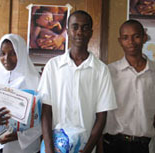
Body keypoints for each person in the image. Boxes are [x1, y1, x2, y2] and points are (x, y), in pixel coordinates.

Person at [38, 10, 117, 153]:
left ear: (91, 33)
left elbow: (101, 117)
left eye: (85, 27)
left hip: (85, 147)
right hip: (55, 147)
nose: (80, 32)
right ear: (68, 31)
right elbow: (46, 110)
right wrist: (49, 149)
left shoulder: (101, 70)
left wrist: (87, 150)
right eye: (75, 27)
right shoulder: (53, 66)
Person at [102, 19, 155, 153]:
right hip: (113, 144)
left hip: (145, 146)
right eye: (125, 38)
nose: (131, 42)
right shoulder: (109, 72)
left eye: (136, 36)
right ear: (120, 41)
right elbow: (101, 112)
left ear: (144, 38)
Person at [0, 34, 41, 153]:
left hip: (23, 148)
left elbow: (43, 120)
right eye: (2, 53)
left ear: (21, 54)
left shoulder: (34, 81)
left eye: (12, 53)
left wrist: (18, 136)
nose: (6, 59)